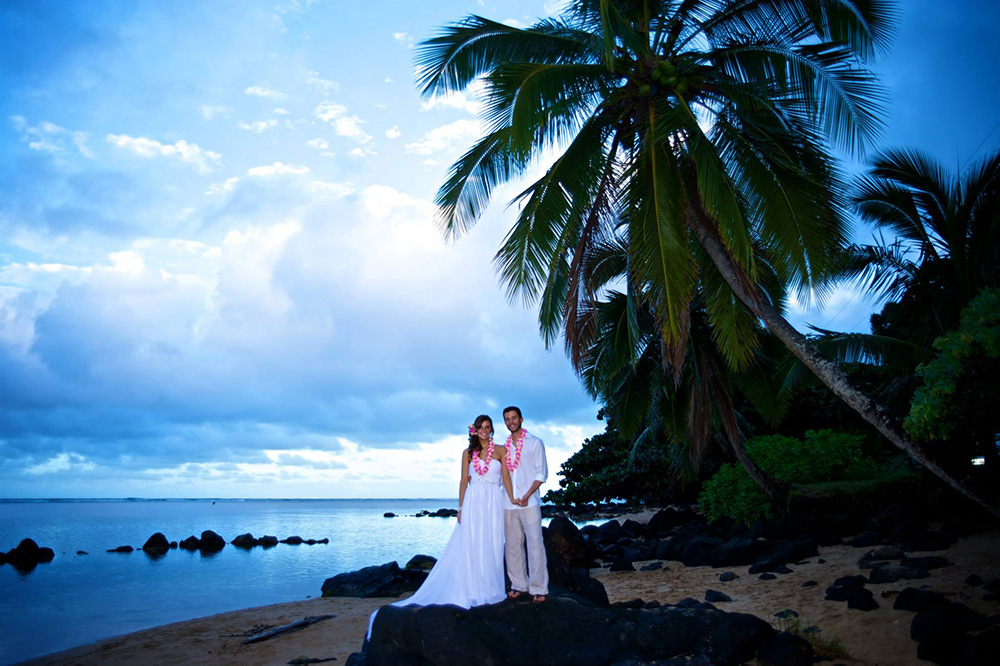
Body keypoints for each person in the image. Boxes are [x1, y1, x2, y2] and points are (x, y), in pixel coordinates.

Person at [368, 415, 515, 637]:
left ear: (492, 430)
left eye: (488, 427)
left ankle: (490, 587)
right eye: (480, 428)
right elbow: (463, 481)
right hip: (474, 501)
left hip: (494, 501)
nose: (484, 431)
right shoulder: (467, 453)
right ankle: (474, 588)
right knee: (472, 544)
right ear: (474, 430)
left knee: (492, 543)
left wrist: (513, 499)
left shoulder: (501, 450)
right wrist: (461, 508)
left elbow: (506, 478)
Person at [502, 405, 550, 603]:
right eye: (507, 419)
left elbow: (541, 474)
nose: (511, 422)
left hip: (529, 502)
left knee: (535, 544)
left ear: (521, 419)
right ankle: (518, 585)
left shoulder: (534, 443)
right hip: (508, 502)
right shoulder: (503, 448)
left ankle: (539, 588)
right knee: (512, 546)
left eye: (514, 418)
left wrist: (527, 495)